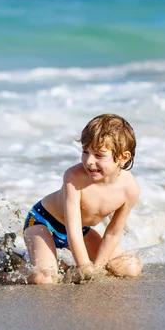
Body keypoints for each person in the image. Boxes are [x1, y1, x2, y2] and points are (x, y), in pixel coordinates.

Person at [23, 113, 141, 284]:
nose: (89, 161)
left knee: (130, 268)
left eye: (99, 155)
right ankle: (14, 272)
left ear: (123, 158)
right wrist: (85, 267)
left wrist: (97, 268)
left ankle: (61, 265)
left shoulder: (130, 190)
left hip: (82, 230)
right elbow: (73, 229)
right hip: (43, 222)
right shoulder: (74, 176)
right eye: (85, 152)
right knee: (45, 280)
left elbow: (113, 234)